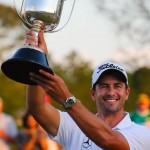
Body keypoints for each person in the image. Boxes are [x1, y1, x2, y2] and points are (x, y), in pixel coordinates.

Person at [25, 30, 150, 150]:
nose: (111, 92)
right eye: (104, 86)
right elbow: (37, 108)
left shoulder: (143, 134)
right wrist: (37, 59)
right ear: (93, 93)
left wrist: (66, 98)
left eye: (117, 86)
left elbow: (110, 141)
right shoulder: (73, 124)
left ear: (127, 93)